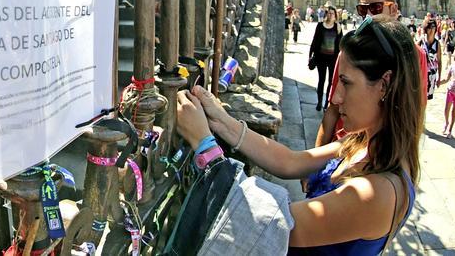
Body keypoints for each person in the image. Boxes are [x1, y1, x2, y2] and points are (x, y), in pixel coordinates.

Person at [176, 16, 421, 255]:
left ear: (385, 85)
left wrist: (206, 148)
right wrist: (223, 122)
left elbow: (273, 226)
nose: (335, 98)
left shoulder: (378, 193)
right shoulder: (363, 140)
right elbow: (291, 161)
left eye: (346, 83)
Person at [314, 0, 428, 147]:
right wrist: (314, 166)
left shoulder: (414, 56)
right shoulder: (350, 51)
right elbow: (333, 109)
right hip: (340, 148)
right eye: (362, 9)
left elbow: (414, 113)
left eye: (375, 7)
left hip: (380, 154)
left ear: (393, 8)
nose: (368, 15)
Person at [309, 6, 342, 111]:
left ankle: (326, 103)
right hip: (321, 58)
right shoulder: (320, 26)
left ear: (335, 16)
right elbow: (314, 41)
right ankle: (319, 102)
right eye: (328, 13)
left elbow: (341, 44)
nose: (330, 15)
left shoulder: (337, 27)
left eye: (332, 13)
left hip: (333, 59)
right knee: (321, 80)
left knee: (331, 81)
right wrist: (310, 55)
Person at [418, 18, 442, 100]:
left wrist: (439, 78)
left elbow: (440, 61)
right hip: (421, 73)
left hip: (432, 75)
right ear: (426, 29)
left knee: (427, 98)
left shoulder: (437, 44)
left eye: (433, 27)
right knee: (420, 96)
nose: (431, 29)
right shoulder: (421, 41)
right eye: (429, 27)